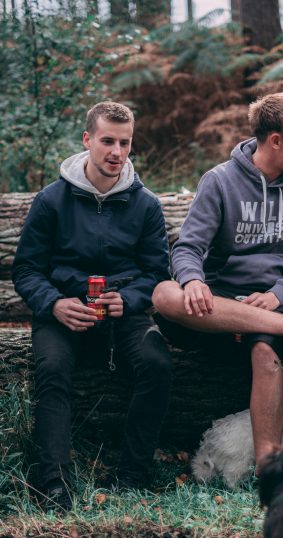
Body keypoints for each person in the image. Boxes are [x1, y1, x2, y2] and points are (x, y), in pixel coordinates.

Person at [151, 93, 283, 473]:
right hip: (217, 305)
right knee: (165, 294)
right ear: (276, 140)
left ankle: (268, 464)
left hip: (270, 300)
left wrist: (277, 294)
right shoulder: (219, 181)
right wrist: (194, 280)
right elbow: (187, 247)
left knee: (266, 355)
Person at [12, 102, 174, 512]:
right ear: (87, 140)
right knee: (51, 370)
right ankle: (53, 483)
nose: (116, 152)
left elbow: (157, 271)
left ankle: (132, 474)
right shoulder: (51, 200)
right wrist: (54, 304)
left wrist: (131, 299)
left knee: (157, 362)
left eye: (124, 143)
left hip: (124, 312)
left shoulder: (146, 204)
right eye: (107, 141)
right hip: (64, 312)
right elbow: (27, 269)